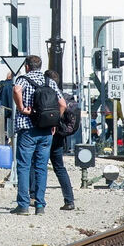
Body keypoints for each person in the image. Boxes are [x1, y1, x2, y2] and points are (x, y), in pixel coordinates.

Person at [11, 55, 64, 215]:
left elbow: (16, 90)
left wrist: (21, 108)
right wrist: (55, 122)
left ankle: (23, 205)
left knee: (24, 165)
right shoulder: (49, 81)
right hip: (46, 129)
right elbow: (62, 103)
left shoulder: (24, 79)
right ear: (40, 66)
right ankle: (40, 205)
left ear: (27, 66)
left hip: (27, 128)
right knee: (42, 167)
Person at [44, 69, 77, 211]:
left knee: (37, 165)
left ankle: (35, 198)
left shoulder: (46, 95)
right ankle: (69, 200)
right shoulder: (65, 95)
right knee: (59, 168)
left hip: (45, 133)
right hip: (59, 136)